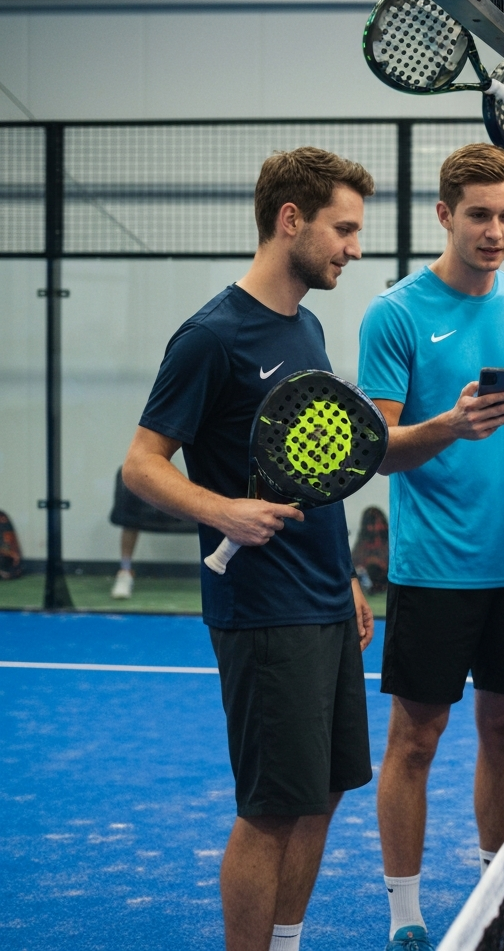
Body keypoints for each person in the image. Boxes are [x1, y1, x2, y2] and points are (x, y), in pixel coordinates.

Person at [121, 147, 377, 951]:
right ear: (290, 220)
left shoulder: (304, 325)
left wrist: (345, 577)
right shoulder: (210, 337)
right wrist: (223, 510)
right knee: (269, 810)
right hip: (263, 611)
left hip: (323, 595)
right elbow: (141, 462)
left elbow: (316, 469)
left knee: (325, 790)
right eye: (343, 229)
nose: (354, 248)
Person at [357, 143, 504, 951]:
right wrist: (447, 426)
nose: (495, 231)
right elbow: (377, 447)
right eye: (480, 215)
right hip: (433, 571)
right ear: (445, 215)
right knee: (415, 741)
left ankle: (499, 890)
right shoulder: (395, 314)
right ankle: (405, 916)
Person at [108, 465, 194, 599]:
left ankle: (219, 573)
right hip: (149, 499)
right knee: (129, 509)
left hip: (188, 500)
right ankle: (125, 571)